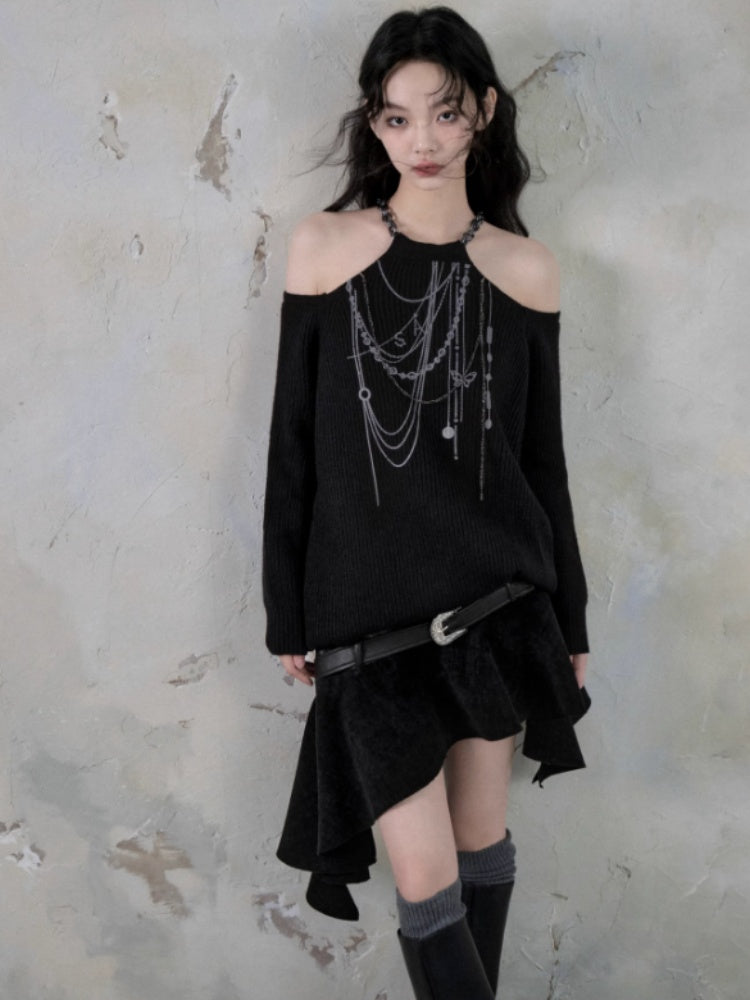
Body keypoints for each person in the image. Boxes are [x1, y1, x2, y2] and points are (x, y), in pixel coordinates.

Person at [262, 7, 591, 998]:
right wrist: (286, 609)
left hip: (499, 611)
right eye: (398, 118)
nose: (425, 141)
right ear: (374, 123)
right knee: (425, 878)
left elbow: (544, 468)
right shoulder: (323, 248)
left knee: (483, 848)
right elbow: (291, 448)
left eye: (446, 113)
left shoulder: (527, 268)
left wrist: (571, 624)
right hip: (368, 626)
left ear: (483, 110)